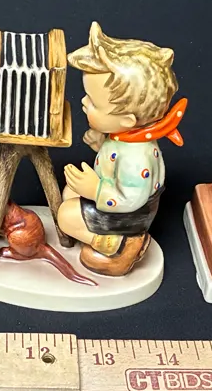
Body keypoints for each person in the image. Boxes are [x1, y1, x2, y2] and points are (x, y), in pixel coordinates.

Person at [56, 23, 185, 277]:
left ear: (127, 120)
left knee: (65, 216)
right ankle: (104, 236)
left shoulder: (137, 158)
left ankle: (122, 245)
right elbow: (113, 163)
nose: (83, 102)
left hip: (129, 216)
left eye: (93, 102)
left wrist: (95, 189)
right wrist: (100, 145)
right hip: (115, 200)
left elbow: (131, 199)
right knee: (70, 192)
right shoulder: (124, 138)